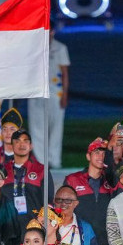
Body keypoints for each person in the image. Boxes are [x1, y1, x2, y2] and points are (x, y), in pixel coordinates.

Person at [63, 138, 118, 245]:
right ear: (88, 156)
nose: (101, 156)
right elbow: (62, 211)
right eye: (96, 152)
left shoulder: (112, 181)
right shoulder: (73, 180)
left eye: (104, 153)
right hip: (81, 244)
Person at [28, 28, 70, 169]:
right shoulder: (33, 47)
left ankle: (54, 160)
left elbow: (65, 73)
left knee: (56, 127)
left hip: (55, 91)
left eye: (51, 31)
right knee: (37, 127)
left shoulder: (60, 48)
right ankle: (41, 161)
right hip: (36, 92)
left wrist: (65, 94)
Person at [0, 130, 55, 230]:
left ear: (31, 146)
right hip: (7, 228)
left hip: (34, 229)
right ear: (11, 146)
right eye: (17, 141)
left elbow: (49, 201)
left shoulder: (41, 170)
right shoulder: (2, 170)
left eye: (25, 141)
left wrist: (43, 224)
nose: (22, 144)